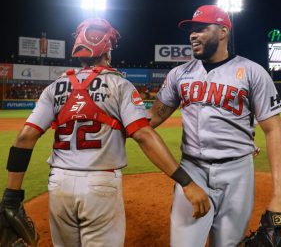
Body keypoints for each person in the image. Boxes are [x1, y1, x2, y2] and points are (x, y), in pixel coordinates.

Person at [0, 18, 210, 247]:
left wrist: (11, 197)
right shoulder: (119, 85)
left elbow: (25, 137)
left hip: (59, 183)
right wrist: (186, 182)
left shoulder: (55, 87)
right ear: (107, 50)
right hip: (100, 183)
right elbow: (143, 135)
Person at [150, 5, 281, 247]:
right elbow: (151, 119)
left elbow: (274, 130)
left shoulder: (252, 72)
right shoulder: (178, 74)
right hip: (192, 169)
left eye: (201, 28)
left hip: (238, 173)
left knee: (228, 244)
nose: (193, 35)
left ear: (223, 31)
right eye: (191, 30)